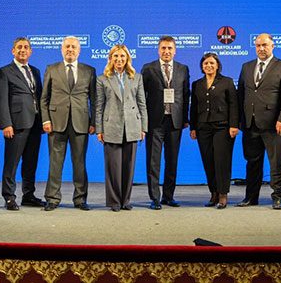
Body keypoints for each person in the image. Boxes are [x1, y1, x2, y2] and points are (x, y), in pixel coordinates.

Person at [237, 33, 281, 209]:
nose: (261, 48)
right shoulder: (246, 67)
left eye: (265, 45)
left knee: (277, 162)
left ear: (272, 46)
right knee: (252, 162)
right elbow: (241, 95)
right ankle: (251, 197)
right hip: (250, 124)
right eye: (258, 45)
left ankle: (278, 196)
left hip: (275, 125)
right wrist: (241, 121)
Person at [41, 36, 96, 211]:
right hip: (56, 123)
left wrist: (94, 122)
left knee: (79, 163)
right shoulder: (51, 69)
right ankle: (52, 198)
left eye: (73, 47)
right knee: (55, 163)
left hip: (81, 123)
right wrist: (46, 119)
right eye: (67, 47)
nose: (70, 50)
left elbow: (94, 100)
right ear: (61, 49)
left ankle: (80, 199)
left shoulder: (89, 71)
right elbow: (44, 98)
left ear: (79, 51)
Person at [95, 45, 148, 212]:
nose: (119, 60)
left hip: (132, 126)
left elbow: (142, 104)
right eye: (116, 56)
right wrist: (99, 129)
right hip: (111, 126)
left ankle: (125, 200)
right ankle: (114, 201)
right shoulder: (102, 79)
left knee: (129, 166)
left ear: (127, 59)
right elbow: (98, 106)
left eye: (122, 56)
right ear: (111, 58)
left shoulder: (136, 77)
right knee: (113, 167)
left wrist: (143, 127)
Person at [0, 37, 46, 210]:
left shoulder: (35, 71)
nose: (22, 50)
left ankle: (28, 195)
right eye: (19, 47)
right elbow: (1, 100)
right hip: (16, 124)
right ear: (13, 51)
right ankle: (9, 196)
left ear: (30, 51)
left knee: (30, 163)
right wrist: (6, 124)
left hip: (35, 124)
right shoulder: (4, 72)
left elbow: (38, 96)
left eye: (26, 47)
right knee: (12, 163)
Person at [140, 36, 190, 210]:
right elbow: (141, 96)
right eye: (163, 48)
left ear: (175, 51)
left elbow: (185, 95)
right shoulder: (148, 68)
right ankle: (155, 198)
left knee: (172, 160)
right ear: (158, 50)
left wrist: (185, 119)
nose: (166, 51)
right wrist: (143, 121)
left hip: (175, 121)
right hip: (155, 122)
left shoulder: (183, 69)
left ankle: (168, 196)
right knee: (153, 161)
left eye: (169, 48)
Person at [189, 53, 239, 209]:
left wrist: (234, 125)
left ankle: (223, 194)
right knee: (208, 161)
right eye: (205, 63)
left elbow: (234, 104)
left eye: (212, 63)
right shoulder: (197, 84)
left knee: (221, 161)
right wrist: (193, 127)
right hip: (203, 128)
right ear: (202, 66)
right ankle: (214, 193)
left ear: (217, 65)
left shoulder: (227, 82)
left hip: (223, 127)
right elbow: (194, 107)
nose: (208, 66)